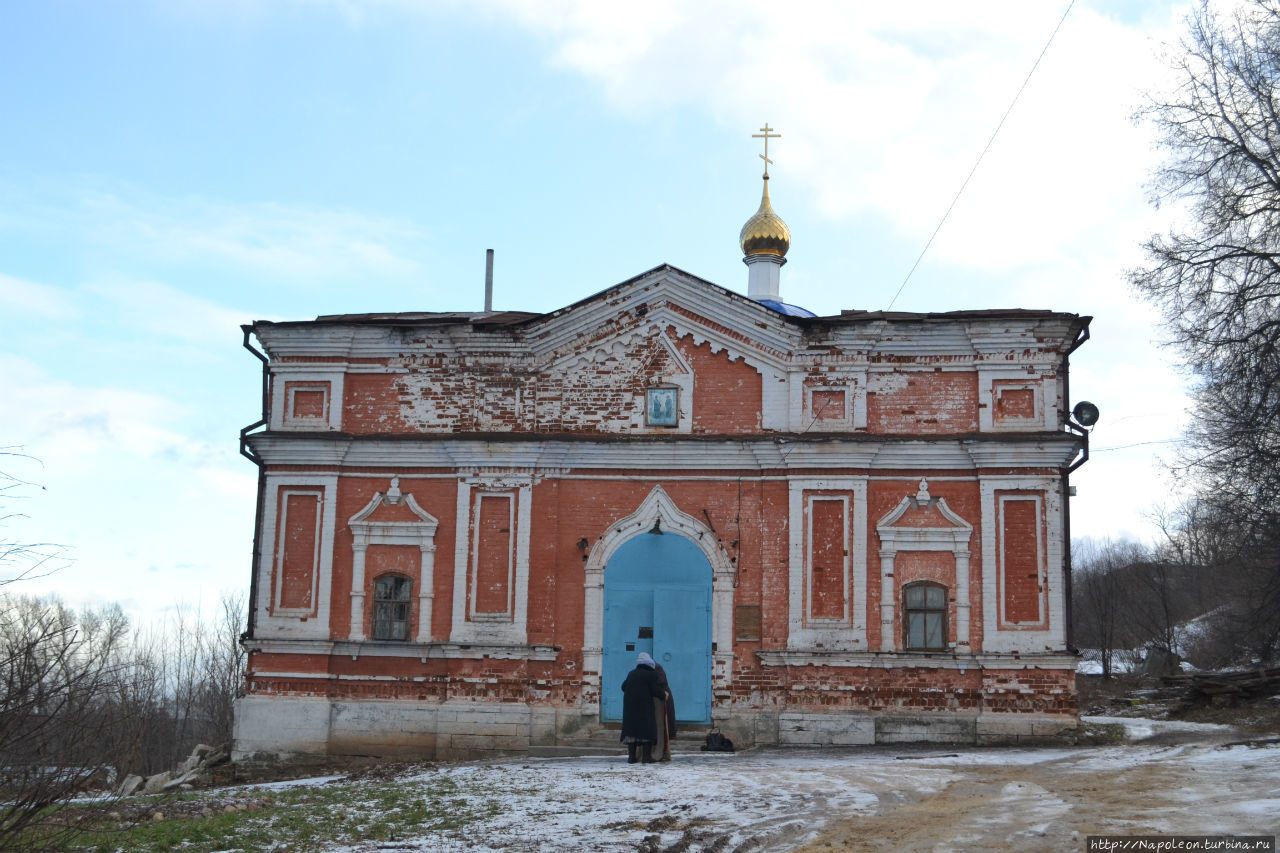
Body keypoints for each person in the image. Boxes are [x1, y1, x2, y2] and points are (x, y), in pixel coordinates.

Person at [620, 652, 664, 763]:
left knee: (631, 730)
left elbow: (623, 687)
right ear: (650, 664)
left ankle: (631, 757)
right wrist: (664, 695)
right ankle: (646, 757)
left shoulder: (631, 673)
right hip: (644, 706)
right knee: (647, 730)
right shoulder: (651, 675)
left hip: (630, 706)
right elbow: (656, 691)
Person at [653, 662, 677, 762]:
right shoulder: (658, 671)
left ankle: (661, 753)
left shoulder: (663, 690)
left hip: (662, 707)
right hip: (661, 707)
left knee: (662, 730)